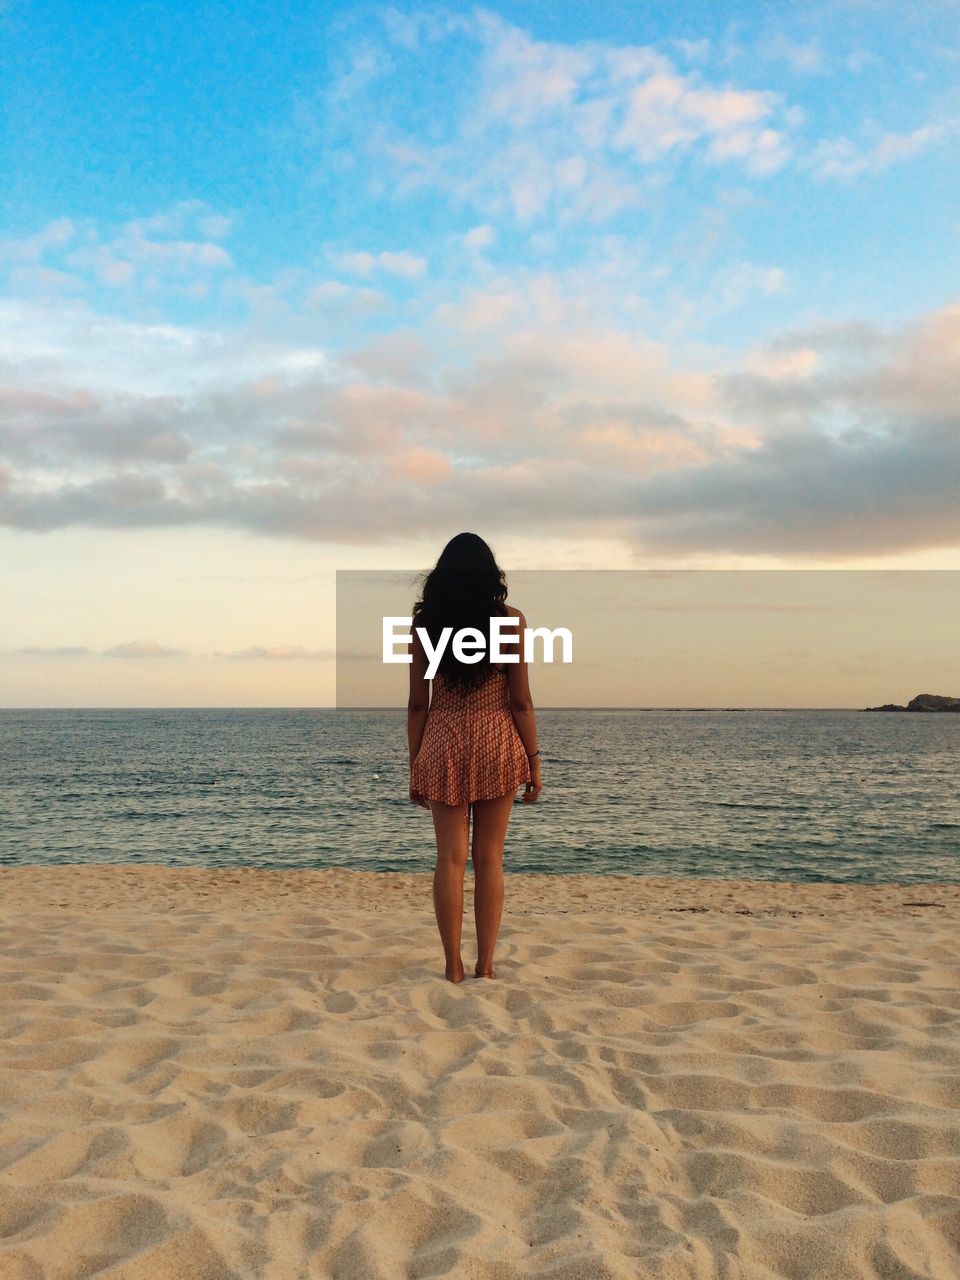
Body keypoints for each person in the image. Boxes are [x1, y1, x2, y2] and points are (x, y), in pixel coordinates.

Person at [407, 532, 542, 983]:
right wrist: (535, 761)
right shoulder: (510, 620)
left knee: (449, 858)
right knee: (489, 857)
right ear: (491, 576)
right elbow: (520, 701)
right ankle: (485, 965)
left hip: (442, 738)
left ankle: (452, 966)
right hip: (496, 739)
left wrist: (415, 766)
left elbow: (416, 704)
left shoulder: (426, 626)